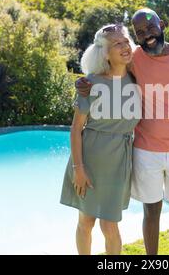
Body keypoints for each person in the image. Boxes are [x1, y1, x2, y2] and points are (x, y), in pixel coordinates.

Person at [76, 8, 169, 255]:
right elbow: (107, 68)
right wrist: (84, 80)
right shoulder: (134, 58)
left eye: (151, 28)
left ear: (163, 25)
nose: (147, 35)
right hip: (146, 151)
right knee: (151, 212)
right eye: (140, 32)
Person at [60, 24, 141, 255]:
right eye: (118, 43)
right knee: (86, 221)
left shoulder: (138, 79)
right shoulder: (91, 83)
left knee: (110, 224)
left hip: (119, 161)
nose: (125, 46)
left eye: (126, 41)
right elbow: (77, 129)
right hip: (89, 160)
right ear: (105, 52)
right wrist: (78, 169)